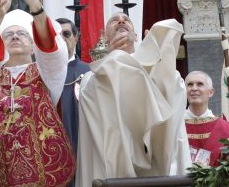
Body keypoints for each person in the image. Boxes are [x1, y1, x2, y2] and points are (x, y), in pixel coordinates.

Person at [0, 0, 75, 187]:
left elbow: (53, 51)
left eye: (22, 33)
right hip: (0, 171)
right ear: (0, 43)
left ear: (34, 44)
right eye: (8, 34)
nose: (15, 36)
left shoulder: (46, 74)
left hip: (43, 173)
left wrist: (36, 7)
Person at [76, 13, 191, 185]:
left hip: (157, 171)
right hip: (113, 172)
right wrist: (111, 58)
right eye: (114, 20)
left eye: (127, 20)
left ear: (137, 36)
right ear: (105, 38)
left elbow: (172, 97)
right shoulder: (91, 78)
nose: (121, 21)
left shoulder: (159, 69)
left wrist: (158, 59)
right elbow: (97, 103)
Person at [184, 70, 229, 166]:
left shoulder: (226, 129)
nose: (194, 88)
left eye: (200, 84)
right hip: (179, 181)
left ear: (211, 92)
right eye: (190, 85)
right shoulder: (174, 125)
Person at [56, 18, 90, 152]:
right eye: (56, 36)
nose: (61, 39)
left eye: (66, 34)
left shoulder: (89, 72)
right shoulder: (40, 72)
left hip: (82, 148)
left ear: (76, 38)